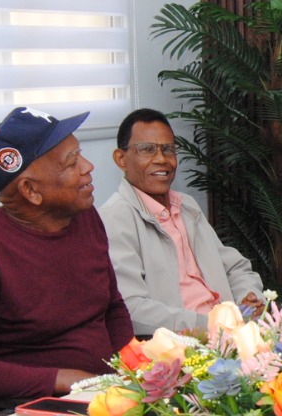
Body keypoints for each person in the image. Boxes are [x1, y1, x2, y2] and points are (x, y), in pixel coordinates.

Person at [0, 107, 133, 407]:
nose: (88, 167)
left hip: (109, 392)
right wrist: (62, 380)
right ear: (30, 190)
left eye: (80, 153)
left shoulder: (85, 217)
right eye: (71, 163)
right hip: (32, 408)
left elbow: (112, 307)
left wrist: (133, 366)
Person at [98, 108, 264, 335]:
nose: (161, 159)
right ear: (121, 159)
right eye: (147, 150)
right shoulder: (115, 218)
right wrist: (210, 324)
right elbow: (131, 308)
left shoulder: (185, 205)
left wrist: (248, 297)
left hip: (233, 333)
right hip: (183, 346)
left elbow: (234, 267)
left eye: (168, 150)